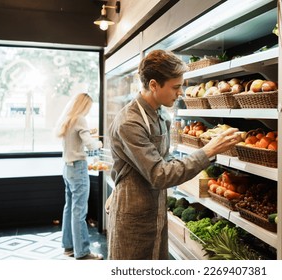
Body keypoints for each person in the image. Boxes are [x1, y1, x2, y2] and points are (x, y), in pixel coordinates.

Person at [107, 49, 242, 259]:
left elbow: (165, 159)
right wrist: (207, 151)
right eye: (176, 87)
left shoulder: (161, 114)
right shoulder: (130, 122)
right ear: (153, 85)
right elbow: (160, 174)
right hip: (134, 213)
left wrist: (186, 162)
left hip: (157, 209)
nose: (180, 93)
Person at [55, 93, 104, 260]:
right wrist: (99, 143)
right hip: (78, 169)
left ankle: (68, 246)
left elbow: (76, 138)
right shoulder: (80, 119)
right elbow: (90, 145)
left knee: (69, 208)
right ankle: (82, 252)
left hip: (67, 169)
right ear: (84, 105)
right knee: (79, 211)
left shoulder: (68, 118)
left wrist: (88, 134)